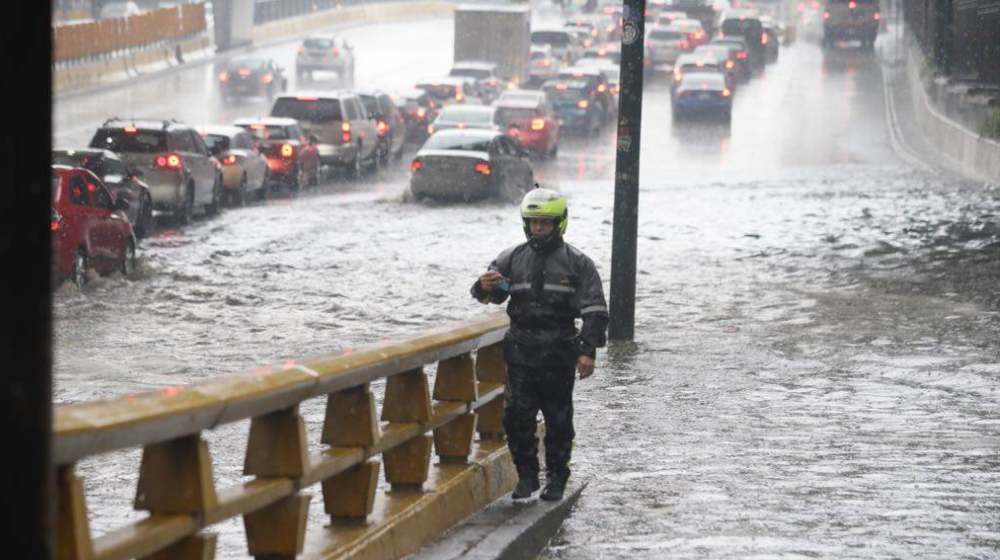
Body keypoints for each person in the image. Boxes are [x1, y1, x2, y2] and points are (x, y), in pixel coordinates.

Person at [470, 187, 608, 501]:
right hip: (520, 350)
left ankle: (557, 478)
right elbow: (492, 294)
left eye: (545, 223)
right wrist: (482, 285)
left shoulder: (578, 263)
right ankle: (528, 475)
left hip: (559, 350)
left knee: (559, 419)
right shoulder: (511, 258)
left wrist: (588, 351)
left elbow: (595, 310)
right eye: (533, 222)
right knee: (516, 416)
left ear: (559, 223)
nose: (538, 228)